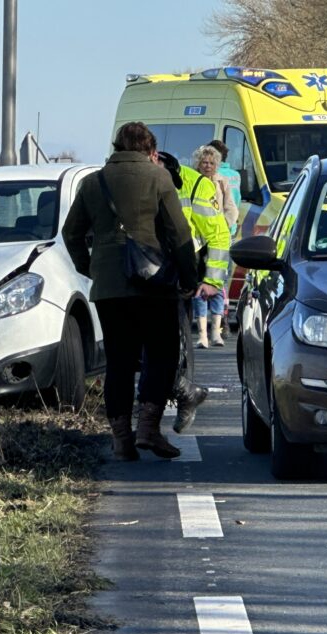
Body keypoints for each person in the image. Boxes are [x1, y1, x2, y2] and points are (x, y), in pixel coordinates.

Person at [63, 122, 198, 461]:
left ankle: (122, 439)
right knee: (163, 354)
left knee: (119, 361)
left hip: (110, 288)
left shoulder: (93, 182)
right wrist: (189, 276)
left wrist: (89, 267)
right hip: (153, 284)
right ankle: (149, 429)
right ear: (148, 149)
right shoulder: (159, 178)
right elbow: (179, 233)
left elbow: (71, 233)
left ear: (117, 147)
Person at [154, 150, 231, 432]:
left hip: (179, 274)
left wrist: (212, 280)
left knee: (173, 345)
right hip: (146, 271)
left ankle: (180, 393)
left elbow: (218, 233)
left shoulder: (197, 185)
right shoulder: (134, 179)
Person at [192, 144, 236, 348]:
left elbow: (231, 209)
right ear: (198, 164)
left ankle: (216, 332)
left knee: (218, 285)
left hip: (218, 241)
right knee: (199, 286)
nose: (207, 166)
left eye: (211, 163)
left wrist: (223, 227)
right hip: (198, 242)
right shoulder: (191, 181)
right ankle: (202, 335)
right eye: (204, 162)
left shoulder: (223, 182)